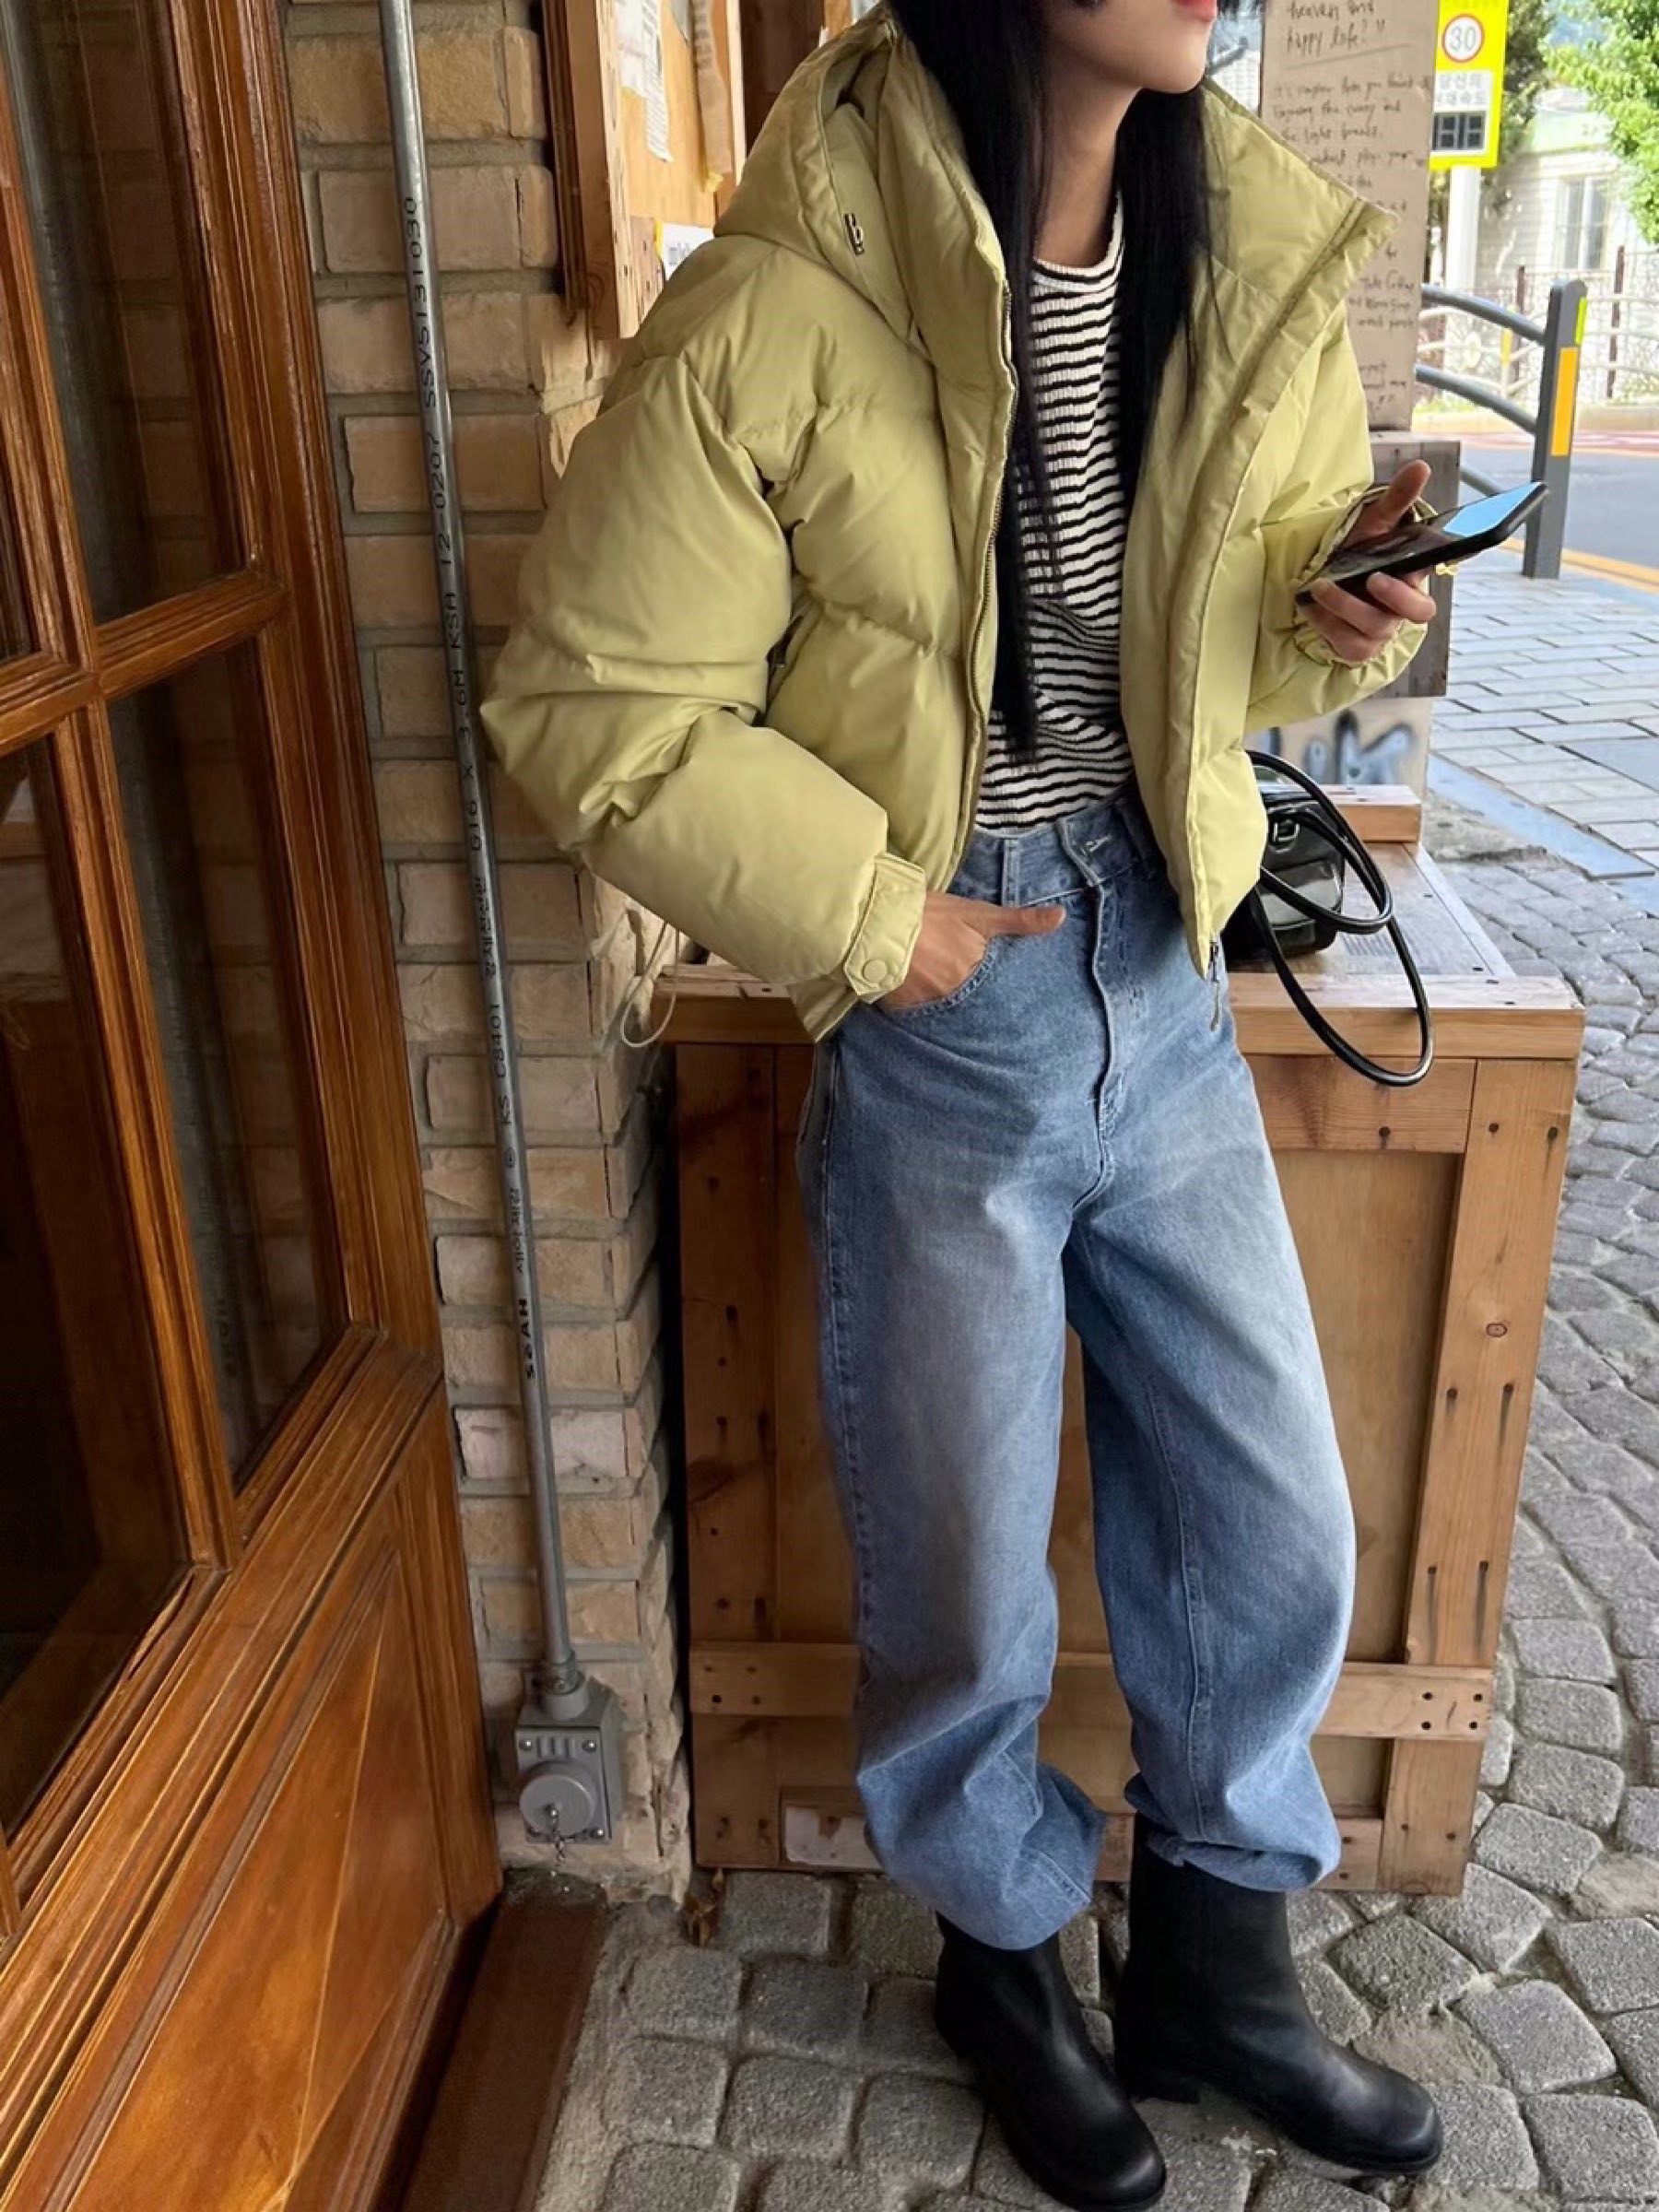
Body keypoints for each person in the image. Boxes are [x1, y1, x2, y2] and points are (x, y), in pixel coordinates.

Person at [482, 3, 1444, 2205]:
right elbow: (591, 697)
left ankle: (1217, 1973)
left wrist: (1335, 615)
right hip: (950, 996)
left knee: (1274, 1521)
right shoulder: (779, 303)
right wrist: (876, 921)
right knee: (960, 1567)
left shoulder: (1247, 254)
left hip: (1165, 972)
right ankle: (1002, 1966)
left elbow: (1228, 651)